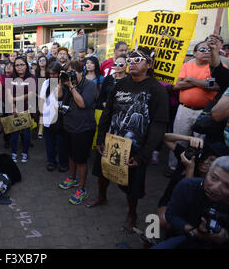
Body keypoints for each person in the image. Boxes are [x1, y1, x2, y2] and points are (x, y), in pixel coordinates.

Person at [88, 46, 169, 233]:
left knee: (133, 186)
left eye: (137, 60)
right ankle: (102, 197)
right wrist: (101, 139)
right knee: (102, 173)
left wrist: (144, 155)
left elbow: (159, 126)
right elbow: (107, 113)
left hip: (136, 148)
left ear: (149, 64)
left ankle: (132, 214)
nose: (132, 63)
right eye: (130, 60)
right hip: (112, 141)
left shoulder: (157, 90)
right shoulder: (121, 84)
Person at [152, 156, 229, 249]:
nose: (215, 188)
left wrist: (224, 236)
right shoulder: (187, 186)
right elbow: (171, 215)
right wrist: (194, 231)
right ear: (208, 172)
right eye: (213, 178)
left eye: (227, 186)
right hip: (187, 237)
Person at [168, 40, 219, 172]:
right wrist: (204, 83)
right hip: (184, 110)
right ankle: (174, 167)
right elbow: (178, 86)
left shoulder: (215, 67)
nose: (207, 52)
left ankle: (196, 169)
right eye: (202, 50)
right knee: (179, 139)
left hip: (204, 112)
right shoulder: (187, 66)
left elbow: (215, 86)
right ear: (195, 53)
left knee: (200, 142)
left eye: (209, 49)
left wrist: (191, 79)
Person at [157, 133, 217, 231]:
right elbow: (166, 138)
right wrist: (189, 138)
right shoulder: (187, 157)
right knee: (162, 221)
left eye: (212, 160)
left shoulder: (215, 181)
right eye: (205, 157)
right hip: (170, 200)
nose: (205, 162)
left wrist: (190, 169)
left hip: (191, 209)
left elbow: (187, 198)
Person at [57, 60, 97, 204]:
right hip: (69, 125)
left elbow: (81, 104)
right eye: (68, 72)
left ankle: (81, 188)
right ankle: (72, 179)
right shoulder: (67, 83)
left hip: (83, 128)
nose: (71, 75)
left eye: (73, 72)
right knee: (71, 155)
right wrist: (61, 83)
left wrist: (72, 87)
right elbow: (58, 96)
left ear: (81, 71)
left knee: (80, 159)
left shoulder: (90, 85)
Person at [4, 56, 37, 163]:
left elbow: (31, 94)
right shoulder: (10, 77)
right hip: (12, 108)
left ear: (26, 65)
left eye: (22, 64)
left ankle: (25, 153)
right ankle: (14, 153)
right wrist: (13, 106)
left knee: (26, 133)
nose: (19, 67)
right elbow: (8, 94)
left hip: (27, 108)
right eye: (17, 65)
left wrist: (16, 98)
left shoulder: (32, 78)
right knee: (14, 133)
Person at [39, 62, 68, 172]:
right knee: (49, 143)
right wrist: (41, 113)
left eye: (54, 74)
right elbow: (41, 99)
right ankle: (51, 161)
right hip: (48, 117)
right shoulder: (46, 83)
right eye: (50, 74)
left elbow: (59, 97)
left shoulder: (65, 84)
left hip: (61, 118)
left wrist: (60, 84)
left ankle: (63, 163)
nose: (52, 76)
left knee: (61, 143)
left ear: (59, 73)